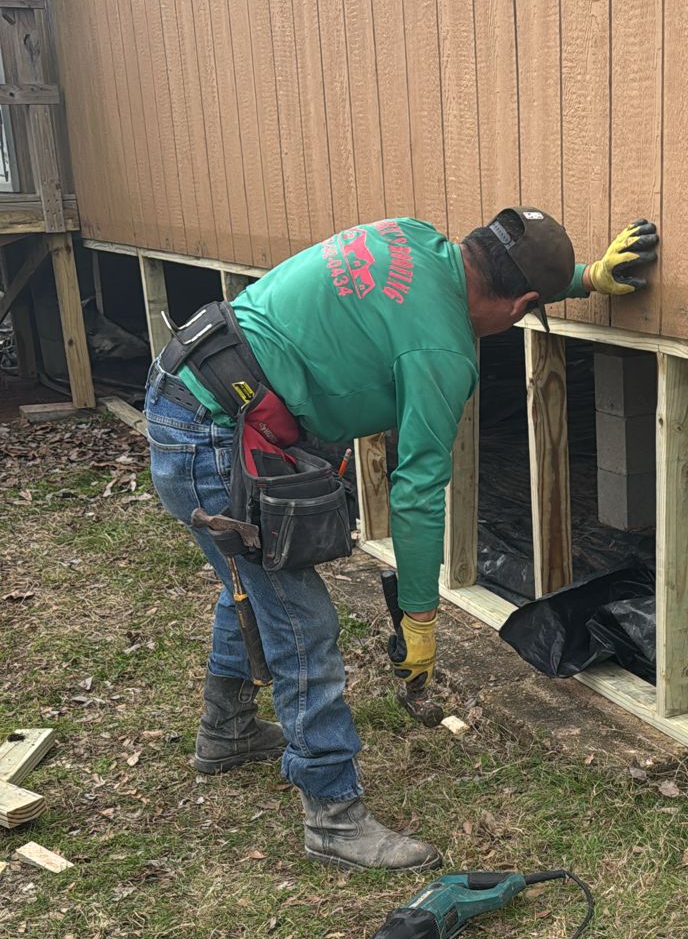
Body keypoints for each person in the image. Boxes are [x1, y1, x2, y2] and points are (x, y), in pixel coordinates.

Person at [144, 208, 658, 872]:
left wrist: (584, 277)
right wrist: (420, 618)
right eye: (530, 309)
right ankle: (332, 814)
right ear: (522, 303)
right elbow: (415, 495)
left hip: (191, 387)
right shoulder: (442, 352)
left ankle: (227, 730)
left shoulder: (412, 236)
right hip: (216, 436)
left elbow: (495, 286)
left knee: (250, 574)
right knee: (303, 624)